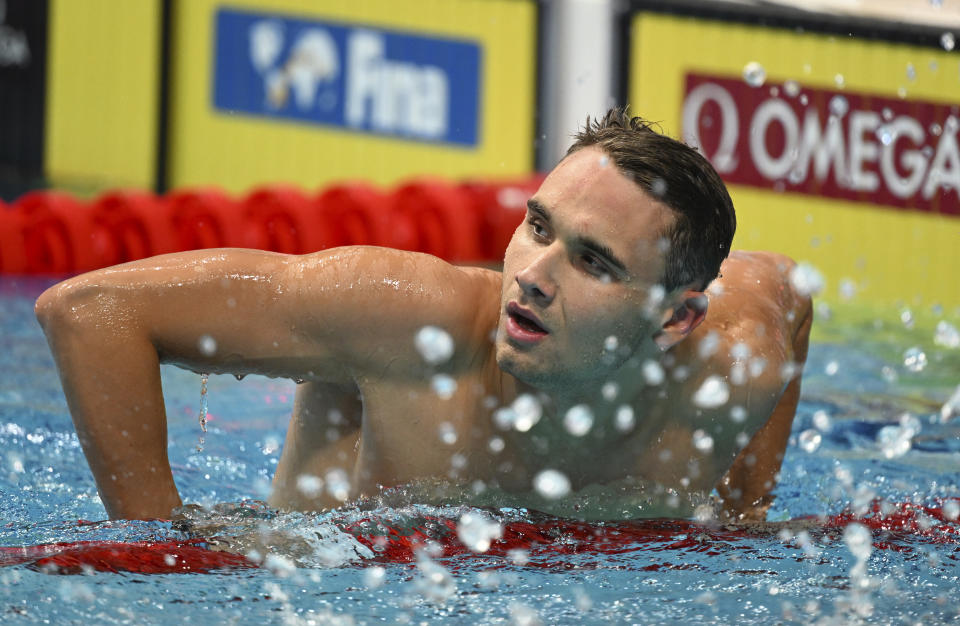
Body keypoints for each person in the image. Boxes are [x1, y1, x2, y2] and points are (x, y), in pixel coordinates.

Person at [35, 109, 812, 522]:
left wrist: (748, 512)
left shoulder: (733, 362)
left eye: (594, 261)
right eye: (537, 227)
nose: (533, 276)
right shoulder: (409, 321)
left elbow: (791, 292)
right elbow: (91, 311)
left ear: (677, 318)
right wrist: (163, 552)